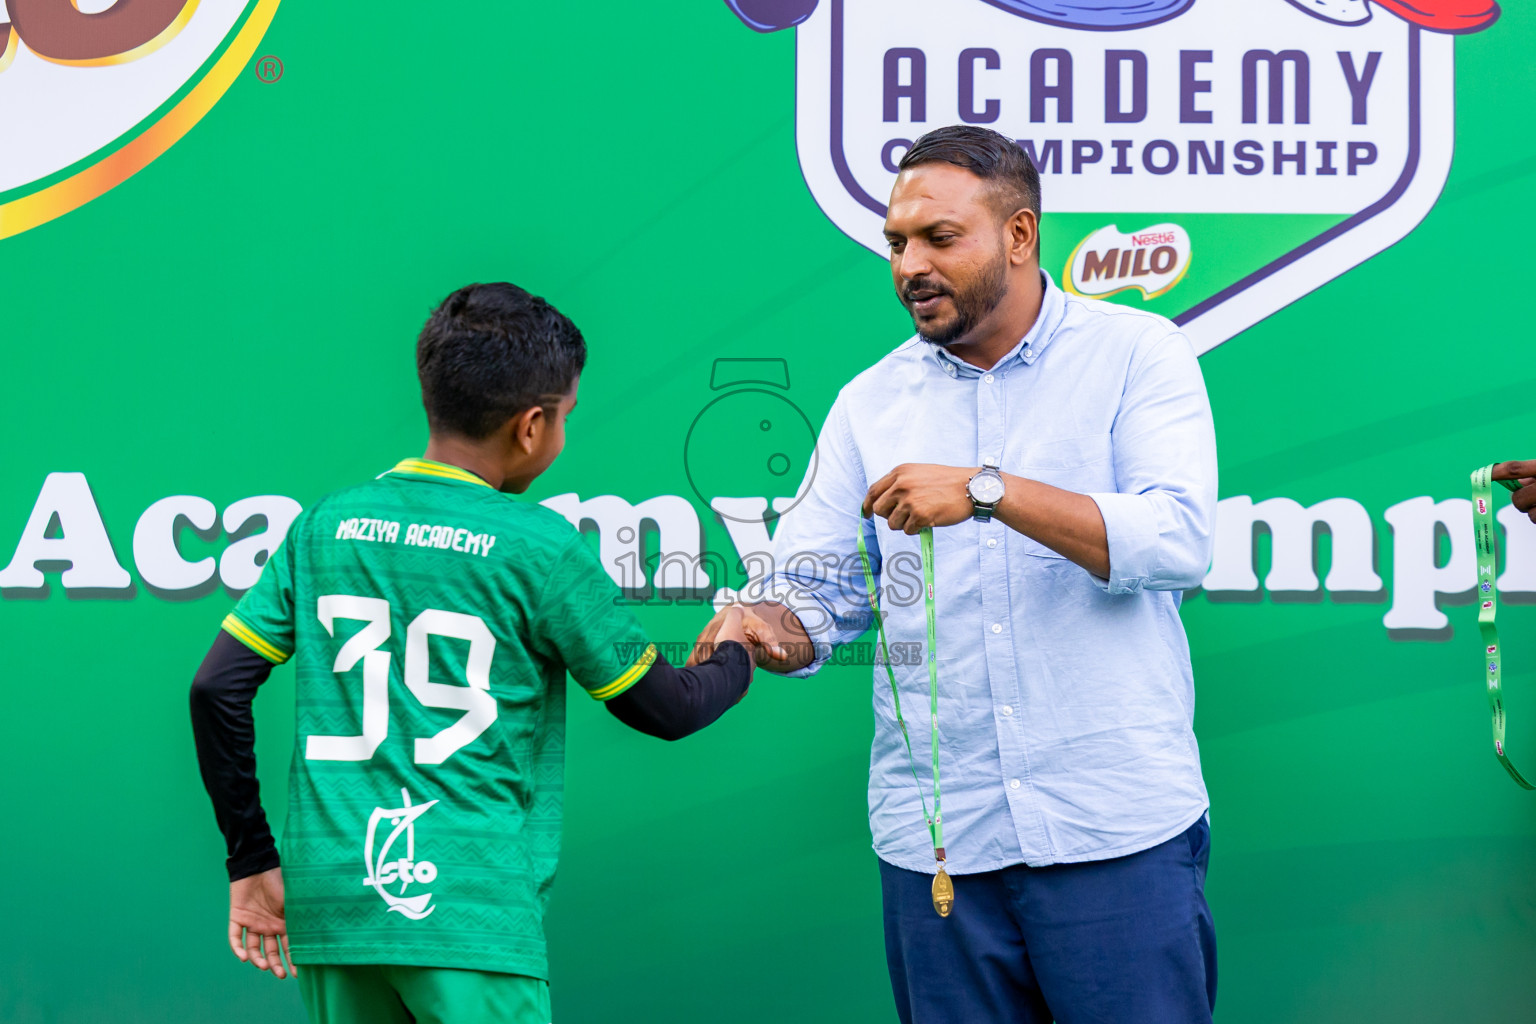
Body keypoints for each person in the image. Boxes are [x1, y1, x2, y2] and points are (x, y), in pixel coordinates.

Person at [692, 125, 1220, 1023]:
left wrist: (988, 492)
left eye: (940, 238)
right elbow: (818, 599)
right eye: (897, 242)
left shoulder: (1137, 351)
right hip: (940, 846)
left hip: (1113, 829)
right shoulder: (871, 401)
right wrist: (763, 628)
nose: (910, 265)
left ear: (1019, 236)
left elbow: (1176, 540)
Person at [190, 282, 770, 1024]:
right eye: (566, 417)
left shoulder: (324, 526)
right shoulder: (543, 548)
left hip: (335, 908)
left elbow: (215, 689)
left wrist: (250, 859)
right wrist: (737, 648)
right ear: (533, 426)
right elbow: (667, 707)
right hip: (470, 914)